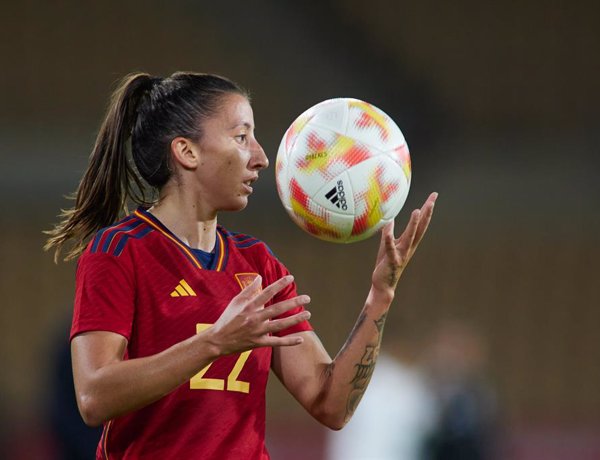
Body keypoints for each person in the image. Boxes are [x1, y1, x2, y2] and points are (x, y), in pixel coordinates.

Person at [44, 72, 437, 459]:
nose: (262, 158)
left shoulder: (258, 263)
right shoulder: (119, 250)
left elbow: (330, 403)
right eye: (241, 137)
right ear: (187, 152)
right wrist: (214, 342)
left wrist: (380, 296)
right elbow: (94, 396)